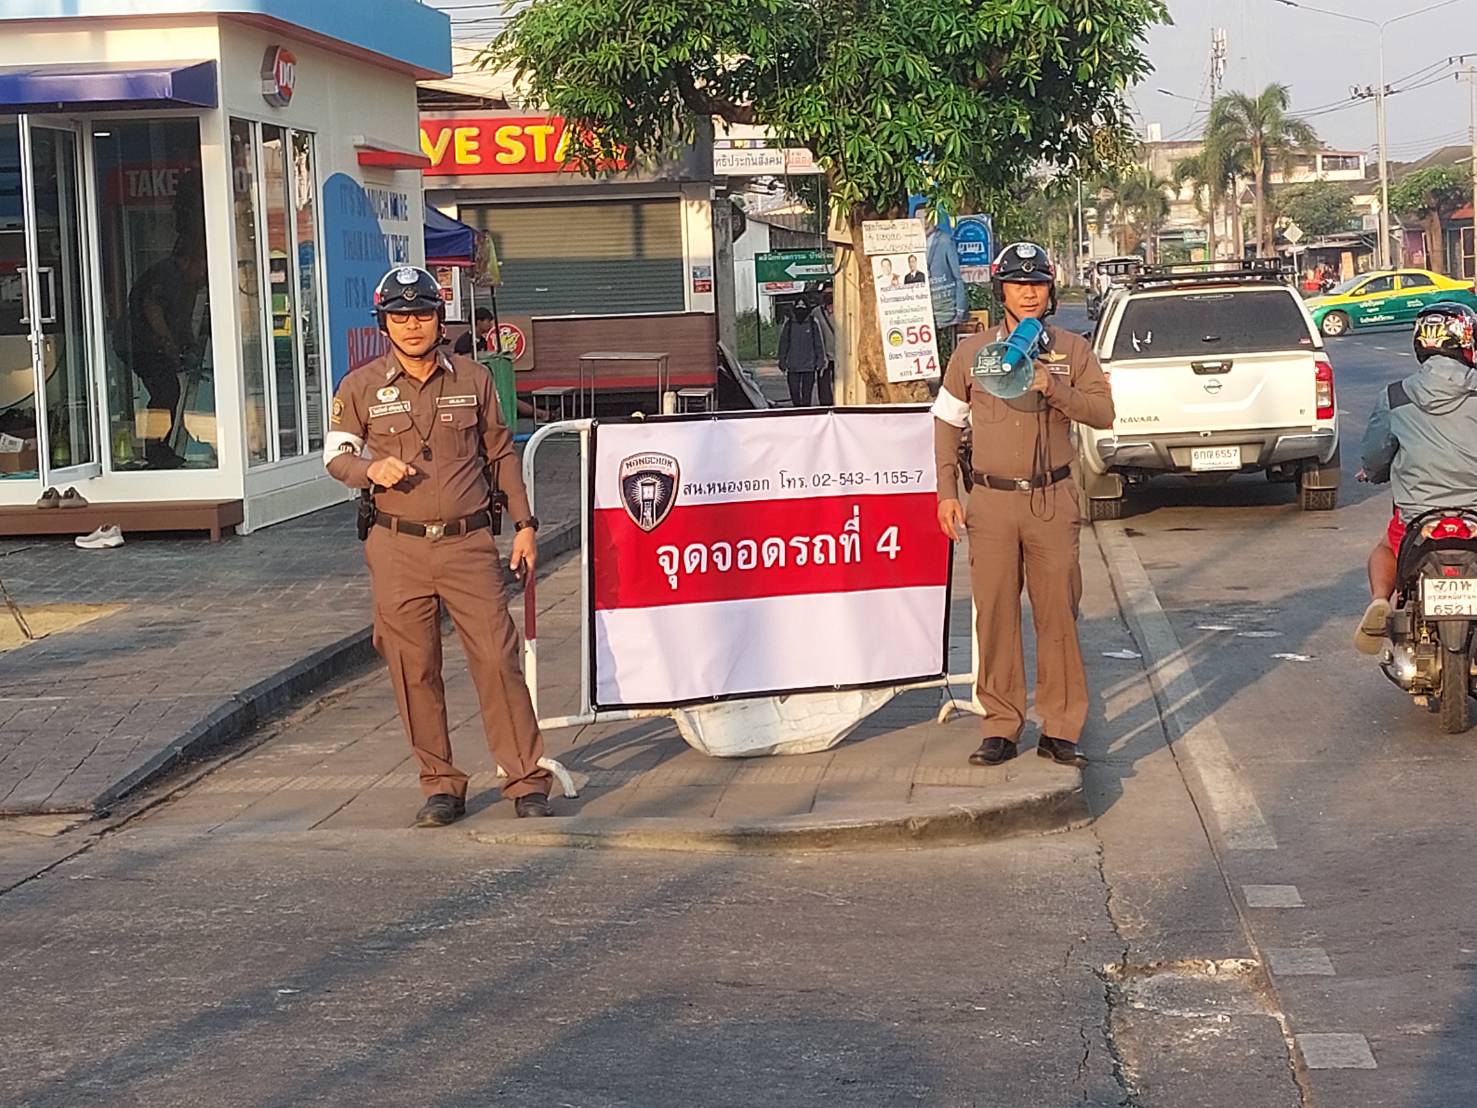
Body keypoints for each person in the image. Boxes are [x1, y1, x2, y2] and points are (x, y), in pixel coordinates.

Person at [325, 266, 554, 827]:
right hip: (396, 547)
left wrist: (525, 525)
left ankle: (525, 779)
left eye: (422, 314)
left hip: (467, 544)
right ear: (384, 324)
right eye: (400, 317)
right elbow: (335, 456)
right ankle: (441, 785)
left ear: (439, 320)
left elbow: (501, 455)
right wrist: (369, 469)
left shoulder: (474, 379)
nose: (412, 326)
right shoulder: (359, 386)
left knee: (497, 658)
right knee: (413, 667)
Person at [931, 242, 1115, 767]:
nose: (1029, 293)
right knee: (994, 615)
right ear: (1002, 291)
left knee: (1058, 615)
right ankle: (1001, 726)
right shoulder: (972, 353)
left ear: (1050, 290)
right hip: (990, 502)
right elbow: (946, 421)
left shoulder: (1072, 350)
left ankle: (1060, 728)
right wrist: (947, 492)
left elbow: (1102, 412)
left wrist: (1051, 386)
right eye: (1017, 283)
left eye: (1037, 283)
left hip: (1051, 500)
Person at [1354, 301, 1477, 654]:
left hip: (1418, 517)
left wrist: (1373, 473)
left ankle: (1380, 600)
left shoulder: (1396, 396)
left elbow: (1375, 455)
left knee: (1386, 547)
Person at [122, 245, 210, 468]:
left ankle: (157, 447)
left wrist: (188, 345)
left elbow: (182, 320)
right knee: (166, 391)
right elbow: (152, 307)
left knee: (167, 391)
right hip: (139, 344)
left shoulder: (186, 282)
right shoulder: (169, 275)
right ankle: (154, 448)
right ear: (187, 261)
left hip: (146, 344)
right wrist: (168, 342)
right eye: (201, 268)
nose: (203, 275)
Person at [777, 296, 827, 408]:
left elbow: (818, 344)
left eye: (803, 305)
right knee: (794, 391)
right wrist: (782, 360)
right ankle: (797, 409)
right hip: (793, 366)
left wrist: (820, 360)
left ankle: (805, 410)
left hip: (809, 366)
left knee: (807, 393)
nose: (800, 308)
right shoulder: (789, 324)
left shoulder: (812, 323)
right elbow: (784, 343)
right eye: (798, 305)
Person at [814, 290, 837, 406]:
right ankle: (826, 405)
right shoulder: (816, 313)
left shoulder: (843, 309)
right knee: (823, 383)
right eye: (826, 293)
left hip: (840, 355)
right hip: (824, 355)